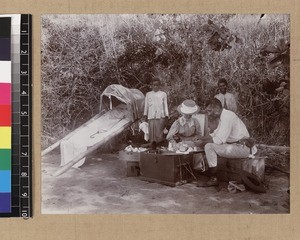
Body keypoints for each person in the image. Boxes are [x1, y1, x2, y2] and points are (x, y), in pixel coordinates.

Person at [195, 98, 256, 187]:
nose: (208, 113)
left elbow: (219, 140)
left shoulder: (228, 117)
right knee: (208, 144)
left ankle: (214, 178)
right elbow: (214, 134)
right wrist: (201, 138)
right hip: (236, 146)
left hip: (242, 148)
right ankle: (212, 173)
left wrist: (202, 143)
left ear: (217, 109)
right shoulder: (224, 115)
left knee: (209, 146)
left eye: (209, 111)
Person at [143, 77, 169, 148]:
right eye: (154, 85)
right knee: (151, 132)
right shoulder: (148, 94)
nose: (155, 87)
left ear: (159, 85)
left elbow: (165, 105)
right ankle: (152, 145)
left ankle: (159, 145)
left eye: (157, 85)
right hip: (151, 115)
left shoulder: (163, 94)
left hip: (160, 116)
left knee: (159, 132)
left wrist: (166, 115)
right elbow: (146, 105)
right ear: (152, 85)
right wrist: (145, 114)